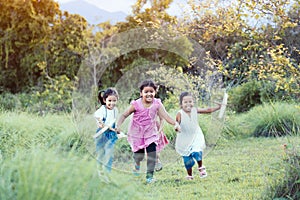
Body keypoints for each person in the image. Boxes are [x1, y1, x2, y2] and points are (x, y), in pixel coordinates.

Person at [116, 79, 180, 184]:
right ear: (141, 93)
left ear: (155, 92)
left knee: (152, 154)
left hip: (150, 133)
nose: (149, 94)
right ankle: (137, 164)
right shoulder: (136, 104)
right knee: (139, 155)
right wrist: (118, 125)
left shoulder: (157, 104)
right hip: (136, 133)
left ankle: (149, 177)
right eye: (146, 92)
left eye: (151, 91)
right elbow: (124, 115)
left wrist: (175, 124)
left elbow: (166, 116)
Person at [175, 91, 221, 180]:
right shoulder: (180, 113)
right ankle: (190, 175)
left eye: (190, 102)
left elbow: (208, 110)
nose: (188, 104)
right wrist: (177, 127)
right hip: (184, 138)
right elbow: (176, 122)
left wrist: (218, 107)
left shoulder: (194, 110)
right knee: (187, 160)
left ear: (193, 102)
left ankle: (201, 168)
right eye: (185, 102)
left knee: (197, 151)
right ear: (181, 104)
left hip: (196, 136)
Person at [94, 88, 120, 181]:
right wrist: (100, 123)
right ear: (105, 100)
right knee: (101, 154)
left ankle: (107, 173)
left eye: (114, 101)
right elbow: (97, 117)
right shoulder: (102, 109)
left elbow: (115, 121)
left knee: (109, 153)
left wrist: (116, 128)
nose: (112, 103)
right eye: (109, 101)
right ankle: (99, 172)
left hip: (111, 134)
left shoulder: (115, 110)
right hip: (101, 134)